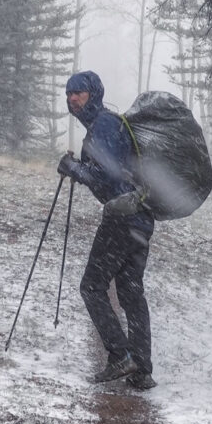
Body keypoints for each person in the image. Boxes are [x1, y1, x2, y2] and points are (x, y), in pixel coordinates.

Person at [57, 70, 157, 390]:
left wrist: (74, 169)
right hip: (140, 216)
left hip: (123, 217)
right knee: (130, 292)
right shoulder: (106, 124)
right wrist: (81, 169)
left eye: (79, 92)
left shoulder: (103, 125)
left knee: (91, 286)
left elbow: (107, 178)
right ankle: (141, 368)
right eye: (69, 93)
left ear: (94, 94)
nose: (73, 98)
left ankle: (120, 356)